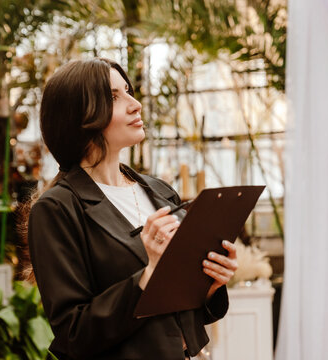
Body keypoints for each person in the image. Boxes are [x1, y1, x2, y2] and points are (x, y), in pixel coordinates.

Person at [23, 58, 238, 360]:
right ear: (78, 115)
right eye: (113, 97)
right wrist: (148, 276)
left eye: (128, 91)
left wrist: (210, 284)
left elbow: (182, 317)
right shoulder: (57, 209)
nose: (135, 104)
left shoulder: (161, 193)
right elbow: (74, 334)